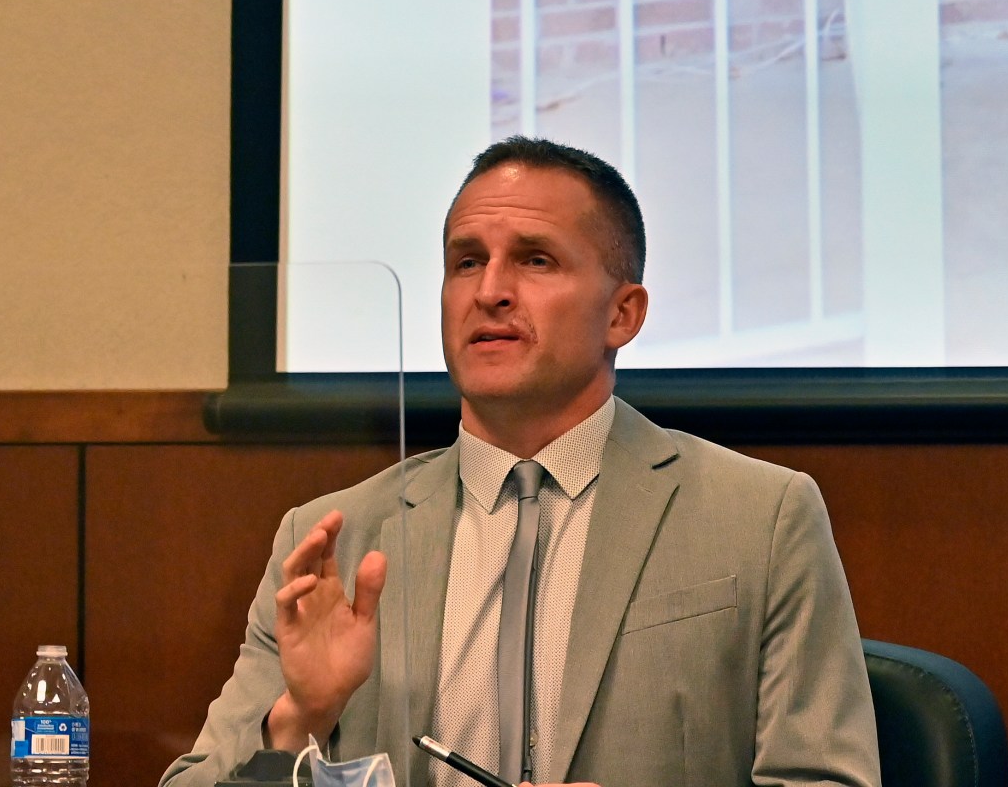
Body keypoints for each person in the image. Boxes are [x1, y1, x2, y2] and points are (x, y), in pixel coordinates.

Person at [161, 139, 881, 787]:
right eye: (466, 261)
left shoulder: (759, 517)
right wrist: (299, 719)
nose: (489, 290)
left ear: (623, 314)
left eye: (536, 260)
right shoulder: (331, 539)